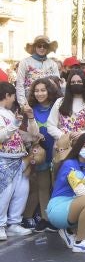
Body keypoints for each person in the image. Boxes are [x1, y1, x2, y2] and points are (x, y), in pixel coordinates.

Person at [22, 78, 60, 231]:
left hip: (58, 150)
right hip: (41, 153)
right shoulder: (30, 109)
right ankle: (46, 219)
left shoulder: (58, 106)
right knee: (43, 186)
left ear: (49, 91)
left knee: (57, 185)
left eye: (43, 90)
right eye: (36, 90)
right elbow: (29, 133)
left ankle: (60, 217)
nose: (39, 93)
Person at [0, 81, 33, 239]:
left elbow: (15, 133)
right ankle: (0, 225)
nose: (14, 100)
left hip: (18, 159)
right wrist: (14, 124)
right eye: (13, 96)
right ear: (7, 95)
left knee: (21, 192)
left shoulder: (8, 113)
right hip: (4, 160)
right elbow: (2, 135)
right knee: (4, 194)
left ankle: (14, 223)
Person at [15, 36, 60, 106]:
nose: (42, 48)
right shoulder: (25, 62)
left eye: (44, 46)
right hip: (30, 102)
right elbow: (20, 84)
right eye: (39, 46)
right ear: (35, 47)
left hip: (49, 104)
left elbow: (57, 84)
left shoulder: (53, 64)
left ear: (47, 48)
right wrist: (23, 104)